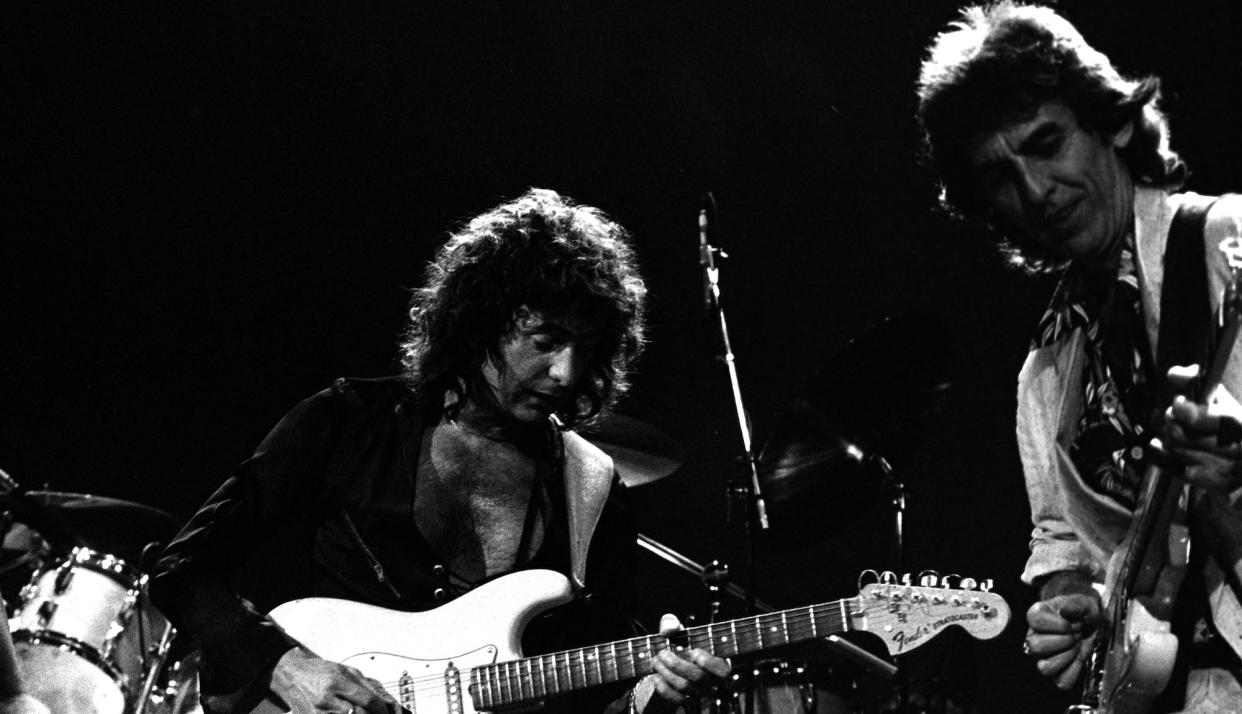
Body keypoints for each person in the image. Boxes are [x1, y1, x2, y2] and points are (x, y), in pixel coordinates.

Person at [150, 188, 730, 714]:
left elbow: (596, 697)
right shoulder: (350, 421)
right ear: (478, 323)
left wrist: (651, 695)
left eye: (587, 350)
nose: (566, 373)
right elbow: (181, 570)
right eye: (546, 341)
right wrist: (286, 664)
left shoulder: (591, 486)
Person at [917, 2, 1242, 710]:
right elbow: (1061, 540)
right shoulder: (1046, 372)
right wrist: (1071, 608)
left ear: (1114, 122)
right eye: (1001, 177)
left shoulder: (1225, 245)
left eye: (1047, 143)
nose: (1035, 192)